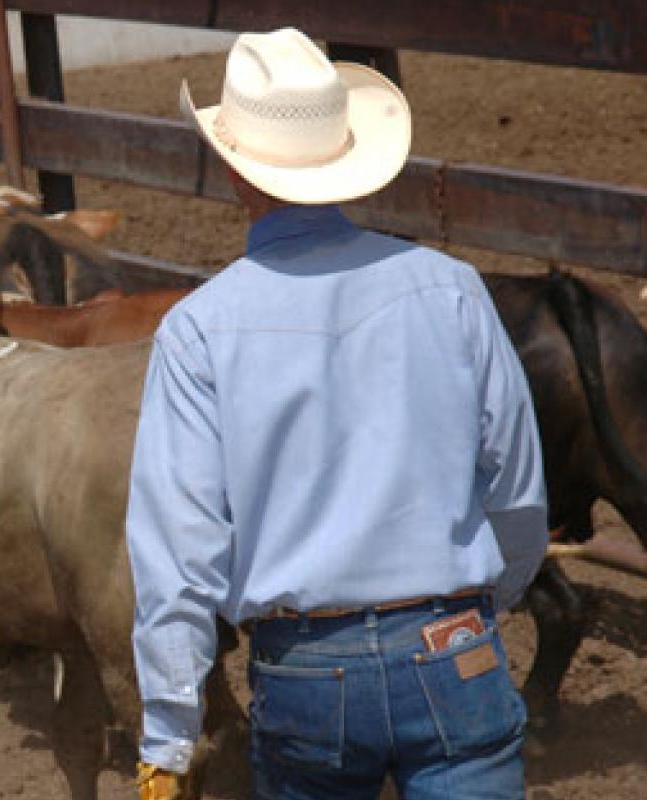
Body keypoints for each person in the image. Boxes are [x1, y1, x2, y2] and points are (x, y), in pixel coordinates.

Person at [125, 27, 549, 800]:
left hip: (307, 667)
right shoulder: (450, 288)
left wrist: (168, 736)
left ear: (232, 167)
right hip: (453, 643)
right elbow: (518, 494)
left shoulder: (198, 328)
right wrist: (477, 611)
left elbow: (178, 557)